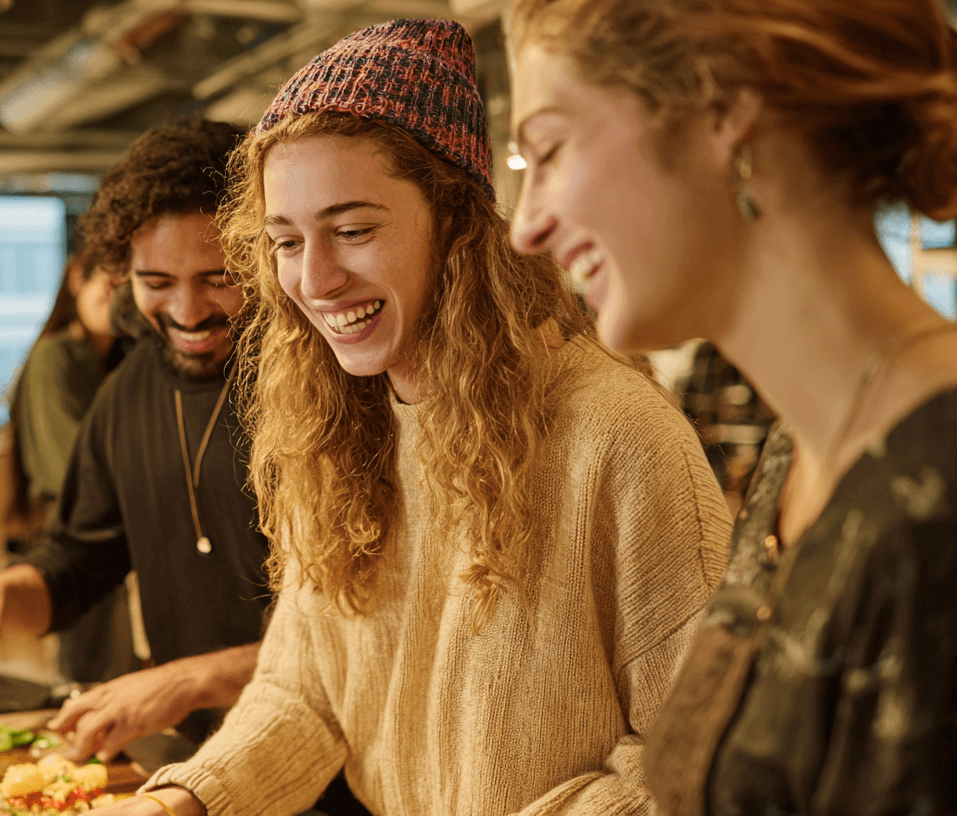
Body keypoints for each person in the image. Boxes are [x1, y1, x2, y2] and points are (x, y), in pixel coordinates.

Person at [99, 20, 733, 816]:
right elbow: (305, 696)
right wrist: (180, 803)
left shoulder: (617, 437)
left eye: (354, 231)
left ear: (457, 221)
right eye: (286, 242)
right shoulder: (333, 429)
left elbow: (699, 759)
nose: (317, 280)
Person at [507, 1, 957, 813]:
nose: (527, 225)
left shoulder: (939, 493)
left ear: (724, 110)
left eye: (549, 150)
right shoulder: (798, 453)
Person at [0, 119, 278, 767]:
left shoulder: (315, 387)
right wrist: (3, 595)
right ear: (123, 272)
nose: (188, 311)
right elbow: (80, 558)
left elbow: (363, 628)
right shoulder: (132, 387)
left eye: (219, 277)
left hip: (339, 771)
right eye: (157, 282)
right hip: (203, 760)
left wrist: (189, 679)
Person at [10, 248, 138, 684]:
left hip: (115, 538)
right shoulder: (56, 354)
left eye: (131, 279)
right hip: (76, 536)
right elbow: (69, 469)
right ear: (76, 279)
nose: (119, 291)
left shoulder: (123, 360)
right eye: (109, 277)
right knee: (88, 678)